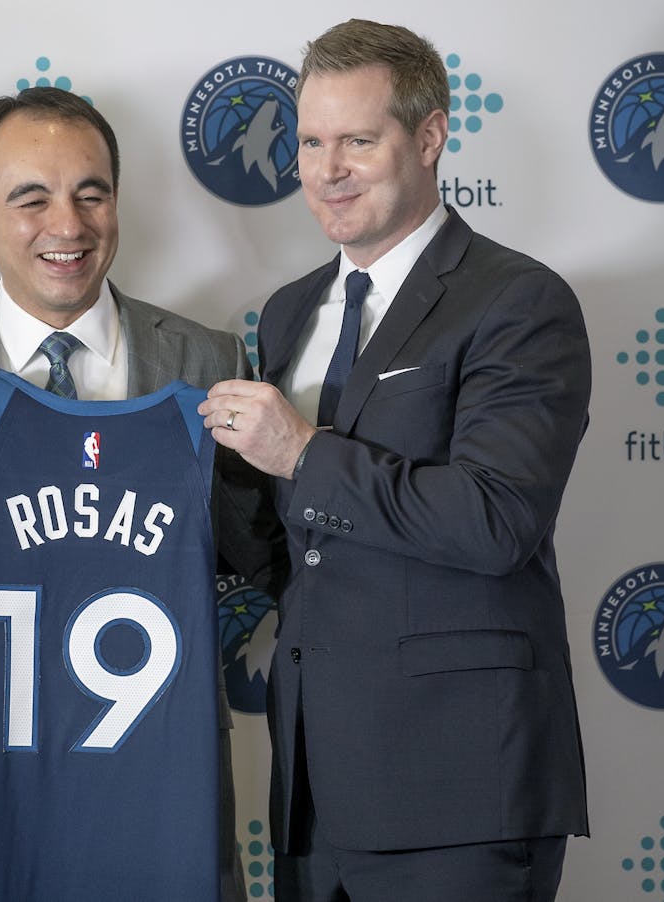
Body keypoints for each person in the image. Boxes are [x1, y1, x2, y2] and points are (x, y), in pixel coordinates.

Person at [198, 19, 591, 902]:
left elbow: (497, 521)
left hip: (459, 789)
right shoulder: (287, 312)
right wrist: (218, 475)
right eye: (309, 143)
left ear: (429, 136)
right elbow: (293, 551)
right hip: (312, 794)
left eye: (357, 142)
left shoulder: (519, 301)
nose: (326, 169)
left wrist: (301, 451)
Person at [0, 86, 265, 901]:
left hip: (159, 788)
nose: (68, 226)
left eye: (92, 194)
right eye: (31, 198)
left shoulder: (207, 362)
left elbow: (256, 553)